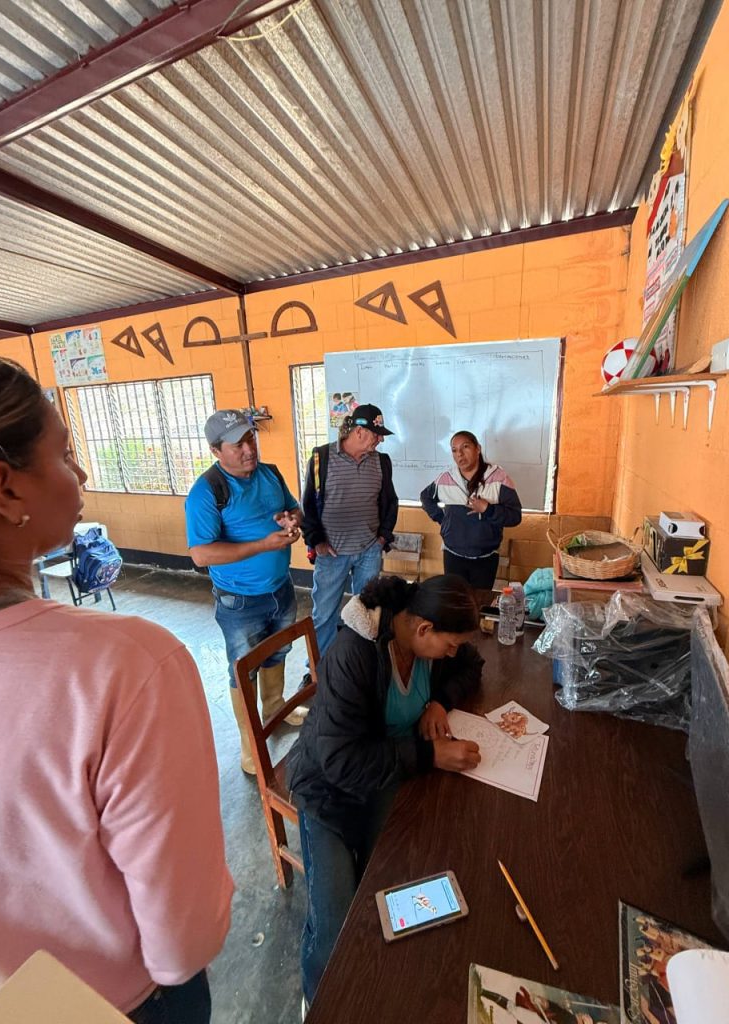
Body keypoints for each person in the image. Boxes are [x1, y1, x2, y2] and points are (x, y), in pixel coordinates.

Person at [0, 357, 233, 1022]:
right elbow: (181, 946)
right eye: (65, 454)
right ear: (4, 488)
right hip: (118, 1002)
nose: (81, 474)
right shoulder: (126, 667)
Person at [286, 574, 483, 1005]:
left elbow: (472, 664)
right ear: (424, 629)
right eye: (449, 645)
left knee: (399, 883)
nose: (453, 653)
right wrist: (429, 755)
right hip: (328, 791)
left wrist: (439, 702)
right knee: (335, 925)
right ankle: (318, 1002)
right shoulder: (355, 654)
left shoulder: (427, 642)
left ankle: (378, 982)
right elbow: (341, 760)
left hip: (385, 774)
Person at [186, 409, 305, 775]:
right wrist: (263, 545)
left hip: (280, 588)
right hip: (239, 601)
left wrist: (292, 521)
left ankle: (274, 706)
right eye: (237, 444)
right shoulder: (207, 491)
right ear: (215, 451)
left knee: (278, 651)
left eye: (250, 439)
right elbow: (201, 555)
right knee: (243, 669)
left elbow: (294, 508)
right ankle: (249, 743)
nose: (248, 449)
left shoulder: (270, 474)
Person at [302, 403, 399, 658]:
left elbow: (391, 501)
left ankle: (360, 661)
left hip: (369, 551)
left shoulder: (381, 462)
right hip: (332, 554)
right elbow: (308, 504)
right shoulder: (321, 458)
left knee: (367, 614)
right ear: (358, 431)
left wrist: (382, 537)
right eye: (377, 434)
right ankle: (320, 668)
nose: (380, 440)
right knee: (324, 614)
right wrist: (317, 541)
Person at [420, 430, 522, 590]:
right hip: (453, 555)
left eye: (465, 447)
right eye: (454, 450)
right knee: (455, 600)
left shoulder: (498, 478)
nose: (459, 454)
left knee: (479, 602)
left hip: (485, 557)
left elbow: (515, 516)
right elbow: (425, 497)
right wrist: (443, 520)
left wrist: (488, 509)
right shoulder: (446, 478)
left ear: (478, 448)